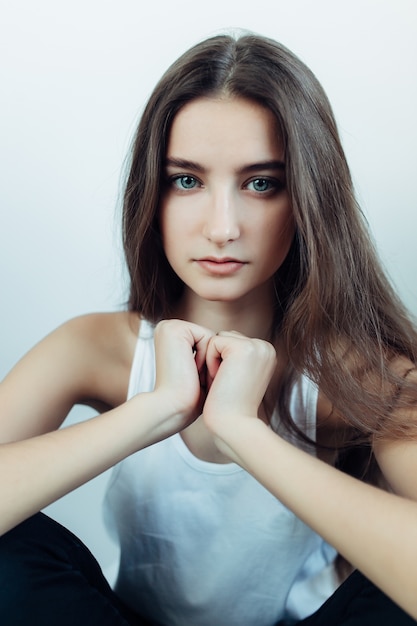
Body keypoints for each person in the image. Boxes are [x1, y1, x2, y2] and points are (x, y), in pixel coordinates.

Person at [0, 31, 416, 626]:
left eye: (261, 183)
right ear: (153, 193)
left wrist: (243, 433)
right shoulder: (95, 348)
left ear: (307, 201)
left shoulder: (361, 373)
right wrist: (157, 409)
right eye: (187, 180)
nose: (222, 228)